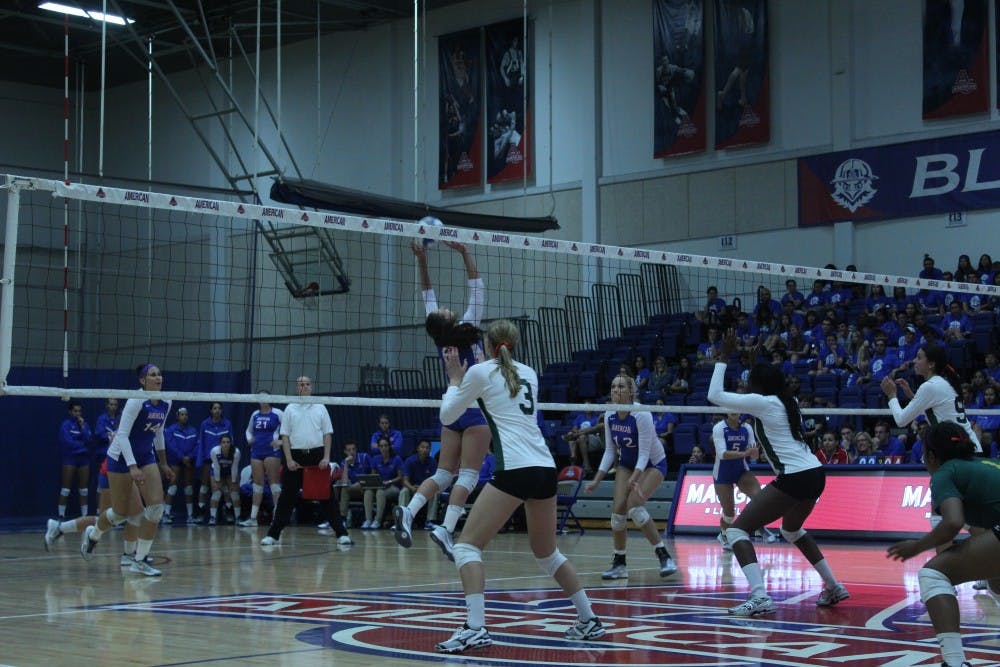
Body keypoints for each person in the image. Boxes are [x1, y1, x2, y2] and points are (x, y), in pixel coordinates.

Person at [433, 319, 605, 653]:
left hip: (515, 469)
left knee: (466, 547)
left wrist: (454, 381)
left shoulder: (479, 373)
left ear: (487, 343)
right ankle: (589, 619)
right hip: (544, 468)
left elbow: (446, 416)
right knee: (547, 553)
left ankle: (475, 628)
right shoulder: (529, 373)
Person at [707, 334, 849, 616]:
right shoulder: (786, 400)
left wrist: (723, 357)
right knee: (791, 530)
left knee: (736, 530)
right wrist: (751, 361)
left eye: (751, 383)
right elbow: (757, 391)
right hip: (814, 473)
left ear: (759, 387)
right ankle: (833, 585)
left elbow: (714, 395)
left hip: (795, 476)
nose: (747, 387)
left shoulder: (767, 403)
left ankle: (760, 597)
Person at [394, 241, 491, 556]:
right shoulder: (468, 327)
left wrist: (422, 262)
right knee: (468, 474)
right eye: (443, 311)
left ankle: (409, 511)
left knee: (443, 472)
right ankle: (446, 528)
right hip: (475, 407)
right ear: (448, 320)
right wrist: (465, 253)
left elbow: (427, 296)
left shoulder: (440, 338)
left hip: (451, 407)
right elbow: (477, 288)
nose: (442, 307)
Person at [887, 422, 1000, 667]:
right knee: (995, 577)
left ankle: (954, 662)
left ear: (930, 455)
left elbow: (953, 522)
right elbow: (982, 535)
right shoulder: (985, 464)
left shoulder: (945, 472)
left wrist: (916, 547)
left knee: (932, 575)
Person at [80, 364, 175, 576]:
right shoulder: (135, 401)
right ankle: (93, 534)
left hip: (145, 456)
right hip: (120, 457)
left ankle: (139, 560)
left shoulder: (167, 401)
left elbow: (158, 433)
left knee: (156, 508)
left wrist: (164, 462)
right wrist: (132, 467)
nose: (158, 377)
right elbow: (121, 436)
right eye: (153, 375)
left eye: (160, 374)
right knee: (120, 513)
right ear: (143, 381)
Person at [584, 373, 677, 580]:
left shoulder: (641, 414)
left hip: (653, 464)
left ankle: (664, 556)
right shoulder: (609, 414)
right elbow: (610, 451)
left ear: (631, 391)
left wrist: (635, 478)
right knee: (618, 514)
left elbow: (644, 454)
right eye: (614, 387)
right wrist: (597, 480)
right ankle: (620, 563)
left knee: (634, 505)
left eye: (621, 387)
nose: (616, 390)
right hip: (626, 463)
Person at [261, 376, 352, 547]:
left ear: (312, 387)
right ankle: (273, 535)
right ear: (297, 388)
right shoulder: (290, 408)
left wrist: (326, 457)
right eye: (301, 384)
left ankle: (341, 534)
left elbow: (327, 435)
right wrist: (288, 460)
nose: (304, 387)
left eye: (307, 384)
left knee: (326, 496)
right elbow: (285, 436)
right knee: (286, 497)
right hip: (295, 456)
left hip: (317, 456)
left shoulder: (320, 407)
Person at [880, 343, 982, 454]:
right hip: (967, 447)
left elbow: (901, 420)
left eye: (919, 358)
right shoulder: (944, 381)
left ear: (931, 364)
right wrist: (912, 396)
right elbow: (935, 409)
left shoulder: (930, 386)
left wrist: (891, 395)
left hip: (962, 450)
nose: (914, 361)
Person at [712, 412, 772, 550]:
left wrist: (755, 453)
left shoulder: (747, 428)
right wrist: (745, 454)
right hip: (722, 473)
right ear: (727, 411)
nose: (734, 410)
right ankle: (723, 535)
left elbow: (753, 454)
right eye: (731, 408)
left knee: (760, 499)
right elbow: (722, 454)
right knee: (729, 514)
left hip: (741, 470)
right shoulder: (719, 428)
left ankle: (760, 528)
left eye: (737, 408)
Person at [241, 394, 284, 527]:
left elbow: (289, 430)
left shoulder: (278, 413)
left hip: (272, 451)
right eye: (260, 397)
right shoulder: (255, 414)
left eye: (265, 397)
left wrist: (281, 441)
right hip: (256, 451)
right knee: (257, 485)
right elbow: (248, 431)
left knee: (274, 485)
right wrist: (249, 440)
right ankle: (253, 518)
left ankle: (277, 518)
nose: (263, 399)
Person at [196, 402, 233, 521]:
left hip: (224, 461)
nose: (217, 410)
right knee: (205, 486)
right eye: (215, 408)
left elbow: (231, 441)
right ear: (211, 410)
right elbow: (201, 443)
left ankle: (228, 511)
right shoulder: (204, 424)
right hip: (208, 460)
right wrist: (199, 461)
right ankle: (201, 512)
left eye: (219, 408)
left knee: (226, 487)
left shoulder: (227, 424)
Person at [163, 407, 199, 524]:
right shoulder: (171, 430)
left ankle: (190, 516)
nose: (184, 417)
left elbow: (197, 446)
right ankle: (166, 514)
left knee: (188, 488)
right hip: (175, 461)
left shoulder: (193, 430)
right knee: (173, 486)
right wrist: (182, 457)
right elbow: (170, 446)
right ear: (177, 416)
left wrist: (189, 457)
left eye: (186, 415)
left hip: (189, 462)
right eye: (182, 415)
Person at [57, 401, 92, 519]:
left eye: (79, 411)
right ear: (70, 412)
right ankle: (61, 515)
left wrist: (82, 427)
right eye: (75, 411)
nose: (78, 413)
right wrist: (81, 445)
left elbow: (88, 440)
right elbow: (66, 442)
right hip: (70, 458)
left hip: (83, 459)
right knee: (66, 489)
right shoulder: (65, 425)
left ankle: (84, 516)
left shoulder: (84, 424)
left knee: (84, 489)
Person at [400, 439, 439, 529]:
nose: (425, 450)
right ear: (418, 448)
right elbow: (405, 480)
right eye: (423, 447)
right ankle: (402, 520)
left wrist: (423, 487)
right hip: (412, 488)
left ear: (430, 450)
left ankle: (429, 521)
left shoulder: (432, 462)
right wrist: (411, 488)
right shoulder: (410, 460)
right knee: (404, 491)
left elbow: (434, 480)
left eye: (427, 448)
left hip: (426, 489)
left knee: (435, 493)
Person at [366, 437, 403, 529]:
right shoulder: (375, 458)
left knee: (380, 492)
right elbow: (372, 476)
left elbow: (400, 477)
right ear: (378, 447)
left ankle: (377, 520)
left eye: (385, 445)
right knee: (368, 492)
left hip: (393, 487)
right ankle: (368, 520)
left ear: (389, 446)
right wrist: (375, 483)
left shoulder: (396, 458)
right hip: (380, 486)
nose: (383, 448)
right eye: (381, 446)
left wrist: (389, 481)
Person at [207, 434, 241, 526]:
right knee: (216, 493)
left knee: (234, 493)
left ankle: (238, 517)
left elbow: (234, 468)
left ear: (231, 443)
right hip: (217, 471)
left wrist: (233, 482)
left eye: (228, 442)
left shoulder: (236, 452)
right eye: (223, 442)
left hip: (230, 471)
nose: (225, 444)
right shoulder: (215, 451)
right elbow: (217, 467)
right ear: (220, 444)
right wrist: (217, 482)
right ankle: (212, 517)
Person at [92, 397, 119, 473]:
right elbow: (100, 435)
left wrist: (110, 434)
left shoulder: (119, 419)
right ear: (107, 405)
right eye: (111, 404)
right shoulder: (101, 419)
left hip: (116, 453)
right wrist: (113, 436)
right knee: (102, 478)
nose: (113, 407)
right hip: (103, 453)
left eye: (115, 405)